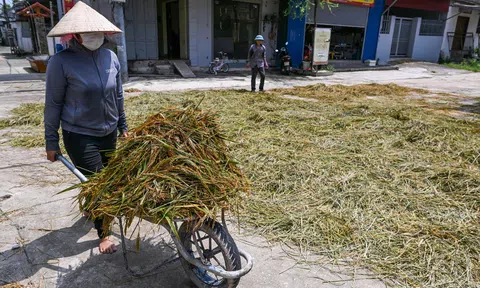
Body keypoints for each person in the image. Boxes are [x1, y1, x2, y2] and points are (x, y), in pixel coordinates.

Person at [44, 1, 126, 254]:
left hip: (108, 131)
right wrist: (51, 141)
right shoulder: (60, 62)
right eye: (88, 34)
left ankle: (94, 208)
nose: (94, 38)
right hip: (79, 134)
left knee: (107, 179)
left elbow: (118, 94)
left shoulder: (110, 57)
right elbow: (53, 103)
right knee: (98, 182)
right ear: (76, 36)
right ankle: (104, 234)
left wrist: (123, 124)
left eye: (97, 33)